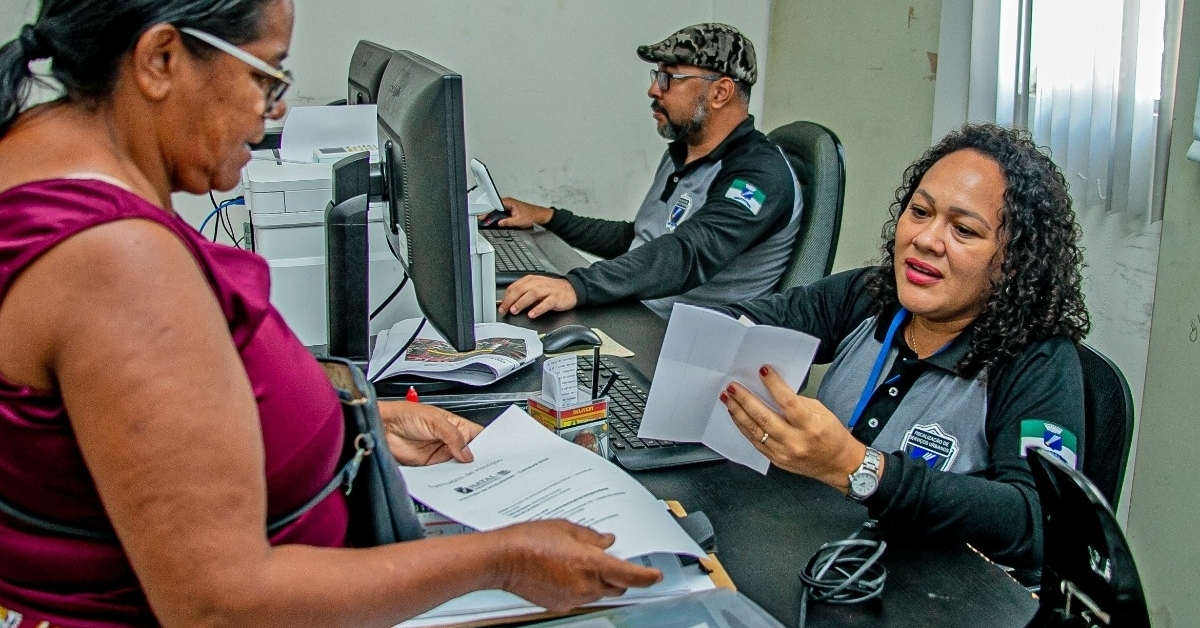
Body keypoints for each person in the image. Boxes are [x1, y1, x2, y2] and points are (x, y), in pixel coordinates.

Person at [0, 2, 660, 627]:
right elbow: (219, 606)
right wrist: (503, 561)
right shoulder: (116, 258)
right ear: (161, 59)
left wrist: (351, 423)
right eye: (265, 76)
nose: (275, 108)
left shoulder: (41, 170)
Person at [715, 123, 1090, 576]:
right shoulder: (871, 293)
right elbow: (746, 320)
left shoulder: (1039, 359)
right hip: (828, 557)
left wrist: (857, 466)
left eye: (964, 230)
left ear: (1015, 259)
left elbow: (1040, 522)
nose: (927, 239)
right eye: (920, 212)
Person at [496, 23, 803, 320]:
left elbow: (689, 254)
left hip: (691, 349)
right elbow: (641, 239)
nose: (653, 89)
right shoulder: (684, 151)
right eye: (657, 75)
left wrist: (578, 286)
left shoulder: (760, 175)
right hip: (641, 319)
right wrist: (547, 217)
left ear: (720, 92)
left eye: (669, 78)